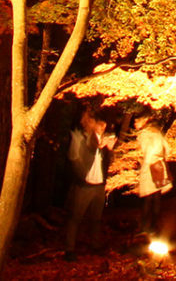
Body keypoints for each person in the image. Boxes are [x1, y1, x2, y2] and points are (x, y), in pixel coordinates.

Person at [65, 106, 117, 253]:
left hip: (99, 185)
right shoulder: (81, 137)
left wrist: (110, 149)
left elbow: (109, 161)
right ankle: (69, 249)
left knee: (96, 218)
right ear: (94, 124)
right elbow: (73, 157)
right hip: (84, 184)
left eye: (104, 126)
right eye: (99, 125)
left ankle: (95, 245)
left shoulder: (105, 140)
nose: (102, 128)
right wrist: (82, 176)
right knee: (76, 217)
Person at [134, 117, 170, 238]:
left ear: (144, 121)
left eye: (137, 120)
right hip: (159, 165)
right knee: (156, 196)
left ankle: (145, 227)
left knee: (148, 197)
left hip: (150, 166)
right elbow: (167, 148)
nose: (135, 123)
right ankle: (154, 226)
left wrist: (145, 165)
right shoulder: (157, 132)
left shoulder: (145, 134)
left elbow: (148, 152)